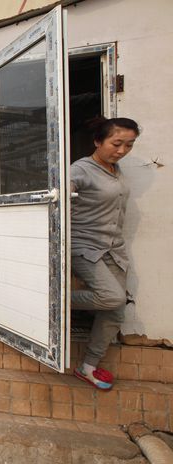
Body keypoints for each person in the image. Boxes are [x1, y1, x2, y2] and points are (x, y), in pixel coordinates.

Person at [70, 116, 140, 390]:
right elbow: (60, 191)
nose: (122, 150)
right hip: (84, 246)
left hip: (113, 248)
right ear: (98, 142)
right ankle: (53, 303)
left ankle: (88, 366)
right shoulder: (81, 169)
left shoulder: (114, 169)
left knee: (116, 311)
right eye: (117, 143)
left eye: (129, 145)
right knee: (111, 297)